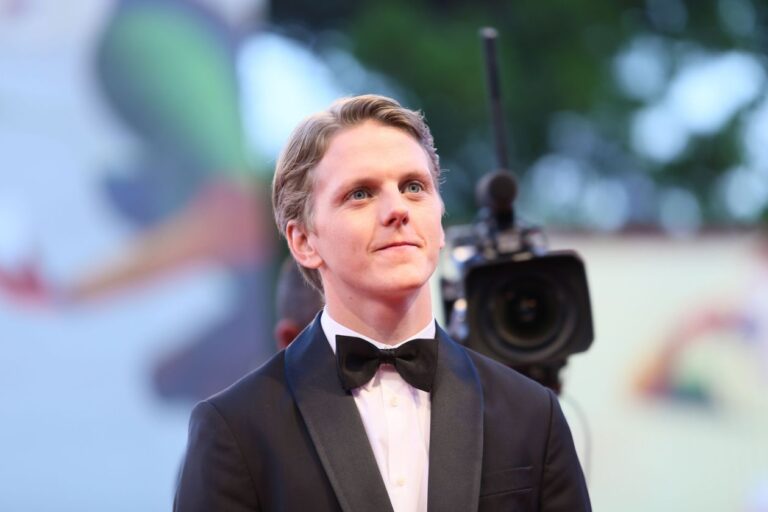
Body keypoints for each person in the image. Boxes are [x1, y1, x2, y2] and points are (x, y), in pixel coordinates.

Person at [174, 94, 591, 511]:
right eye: (360, 194)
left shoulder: (532, 414)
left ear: (440, 220)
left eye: (414, 187)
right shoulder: (237, 427)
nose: (397, 211)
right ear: (303, 241)